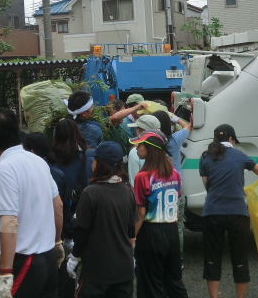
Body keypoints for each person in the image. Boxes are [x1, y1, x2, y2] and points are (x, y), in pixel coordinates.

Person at [0, 108, 64, 298]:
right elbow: (58, 205)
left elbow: (9, 220)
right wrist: (57, 242)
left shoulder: (4, 168)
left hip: (25, 260)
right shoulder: (38, 161)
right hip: (48, 255)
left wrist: (5, 272)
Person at [199, 124, 258, 298]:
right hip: (237, 213)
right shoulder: (239, 155)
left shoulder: (205, 156)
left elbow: (208, 185)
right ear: (231, 139)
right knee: (240, 259)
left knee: (212, 258)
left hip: (212, 212)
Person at [66, 141, 138, 298]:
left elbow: (81, 231)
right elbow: (131, 231)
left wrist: (74, 257)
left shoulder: (90, 193)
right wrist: (131, 255)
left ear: (101, 164)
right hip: (124, 269)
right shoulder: (128, 192)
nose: (92, 162)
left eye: (95, 159)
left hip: (96, 272)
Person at [131, 129, 188, 298]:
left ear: (150, 148)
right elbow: (177, 201)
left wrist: (131, 238)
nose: (137, 148)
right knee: (174, 281)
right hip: (171, 231)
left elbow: (141, 213)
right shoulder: (174, 173)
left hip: (151, 232)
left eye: (140, 145)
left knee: (151, 284)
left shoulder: (142, 176)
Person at [51, 117, 93, 298]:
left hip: (58, 212)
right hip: (79, 211)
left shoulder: (51, 157)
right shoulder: (86, 156)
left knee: (58, 257)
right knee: (75, 257)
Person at [153, 109, 192, 259]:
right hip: (176, 189)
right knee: (177, 226)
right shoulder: (175, 140)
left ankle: (160, 257)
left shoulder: (152, 143)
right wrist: (175, 118)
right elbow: (188, 126)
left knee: (158, 224)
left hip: (157, 189)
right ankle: (177, 259)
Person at [126, 114, 161, 186]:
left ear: (141, 131)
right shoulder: (162, 149)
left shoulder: (135, 152)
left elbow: (134, 184)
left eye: (137, 128)